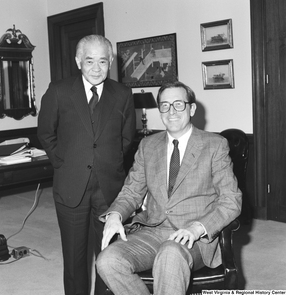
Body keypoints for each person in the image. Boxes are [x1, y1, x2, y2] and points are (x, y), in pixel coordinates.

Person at [96, 81, 242, 295]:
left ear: (191, 109)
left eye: (178, 104)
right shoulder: (148, 146)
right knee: (107, 260)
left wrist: (197, 228)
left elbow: (231, 200)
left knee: (170, 254)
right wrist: (115, 214)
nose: (171, 111)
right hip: (153, 231)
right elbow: (131, 191)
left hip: (194, 237)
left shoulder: (214, 145)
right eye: (165, 105)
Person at [37, 35, 136, 295]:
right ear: (78, 61)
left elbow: (126, 139)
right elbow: (46, 133)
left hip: (109, 188)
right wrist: (63, 163)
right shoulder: (58, 91)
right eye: (89, 60)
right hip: (71, 187)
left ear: (111, 62)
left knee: (108, 257)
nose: (96, 68)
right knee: (74, 259)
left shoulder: (123, 94)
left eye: (102, 61)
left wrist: (109, 163)